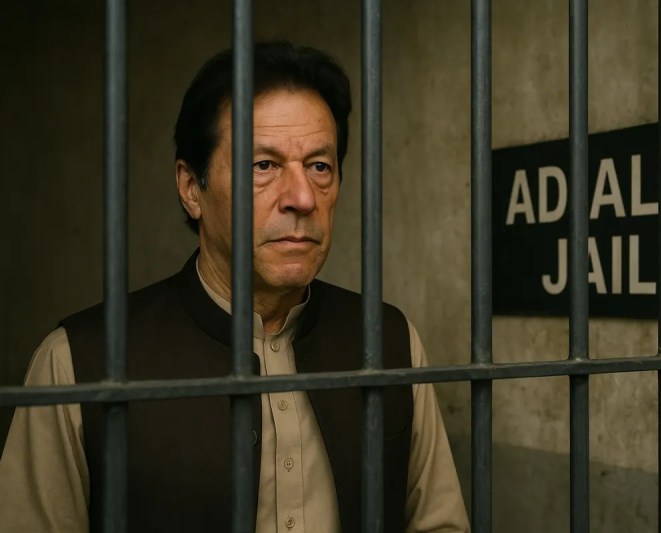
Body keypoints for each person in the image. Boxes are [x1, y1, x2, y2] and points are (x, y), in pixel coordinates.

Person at [0, 41, 470, 533]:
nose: (302, 197)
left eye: (319, 166)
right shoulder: (79, 362)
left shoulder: (389, 341)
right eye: (263, 165)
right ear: (191, 188)